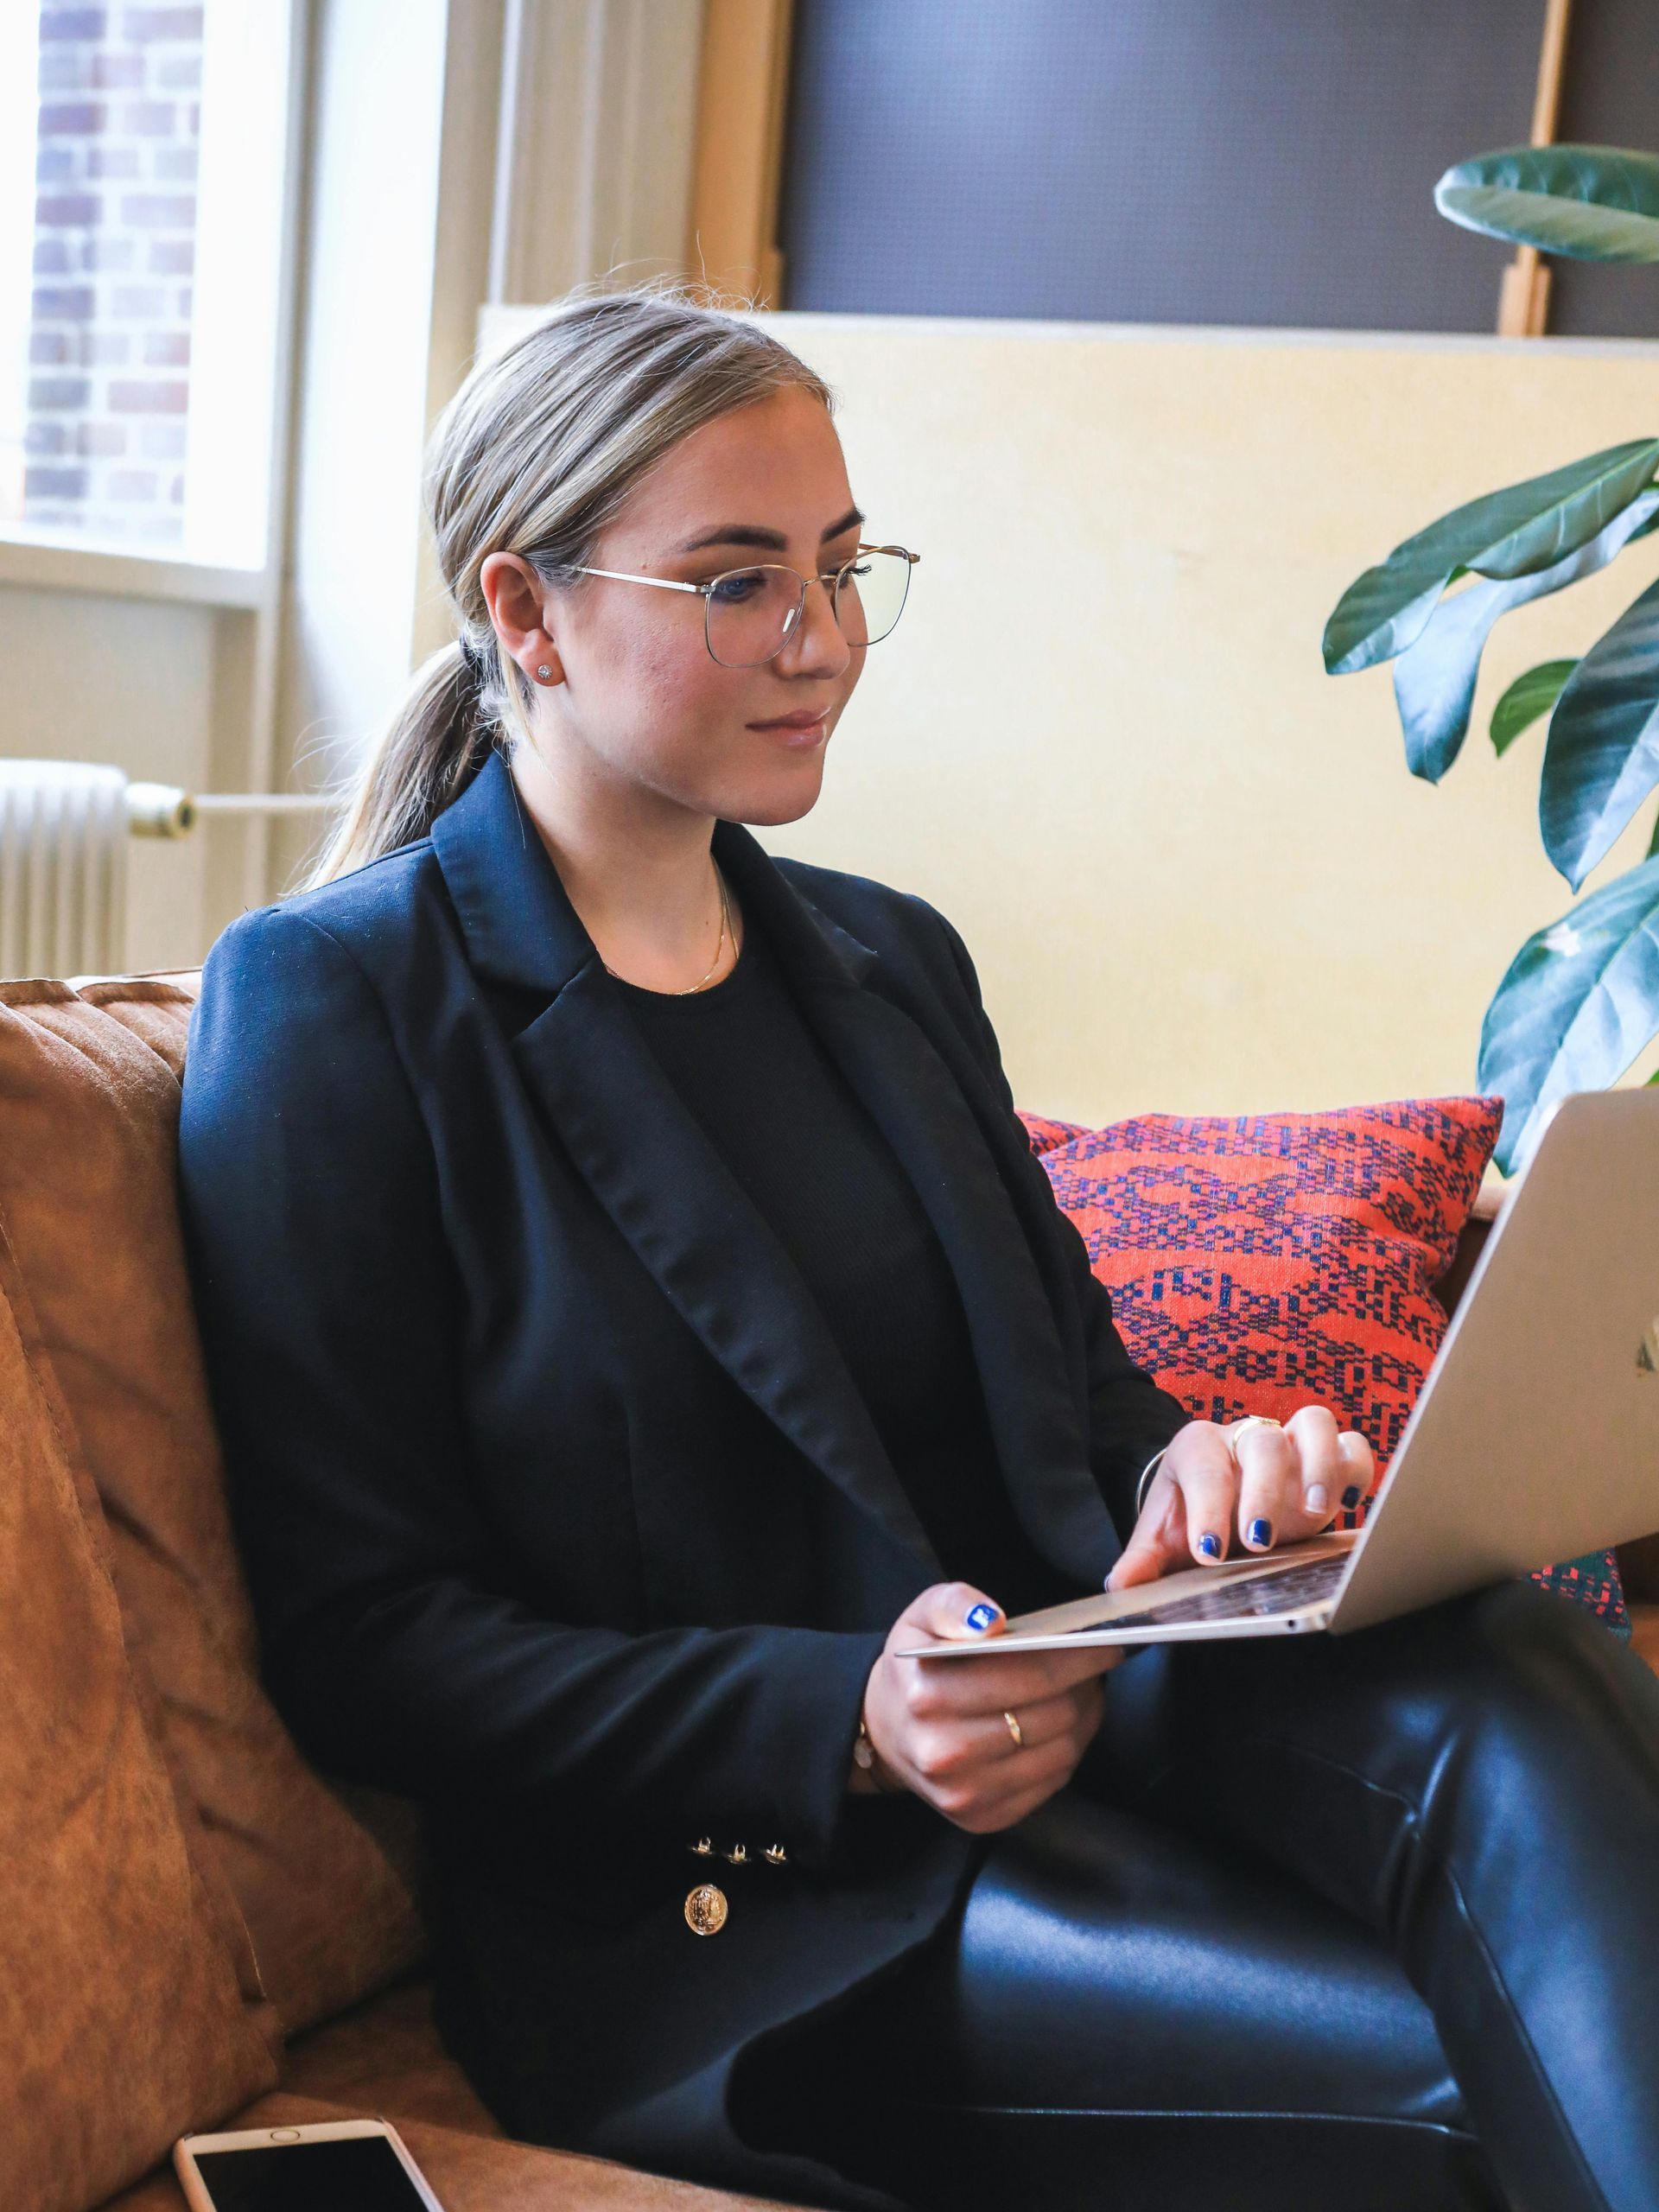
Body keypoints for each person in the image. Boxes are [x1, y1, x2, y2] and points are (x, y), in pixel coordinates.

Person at [176, 281, 1659, 2212]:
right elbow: (368, 1638)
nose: (824, 642)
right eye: (737, 580)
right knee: (1480, 2075)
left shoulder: (890, 957)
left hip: (1093, 1701)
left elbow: (1090, 1400)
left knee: (1526, 1669)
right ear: (525, 609)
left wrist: (1192, 1474)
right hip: (750, 1896)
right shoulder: (334, 1008)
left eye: (845, 565)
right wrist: (846, 1723)